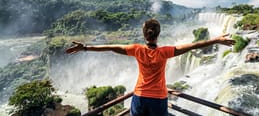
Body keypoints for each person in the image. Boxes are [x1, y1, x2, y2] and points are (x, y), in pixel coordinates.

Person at [66, 18, 235, 116]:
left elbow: (111, 47)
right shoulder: (165, 52)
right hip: (158, 99)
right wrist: (216, 40)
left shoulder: (136, 50)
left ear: (144, 34)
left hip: (139, 97)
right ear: (158, 34)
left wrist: (85, 48)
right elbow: (193, 45)